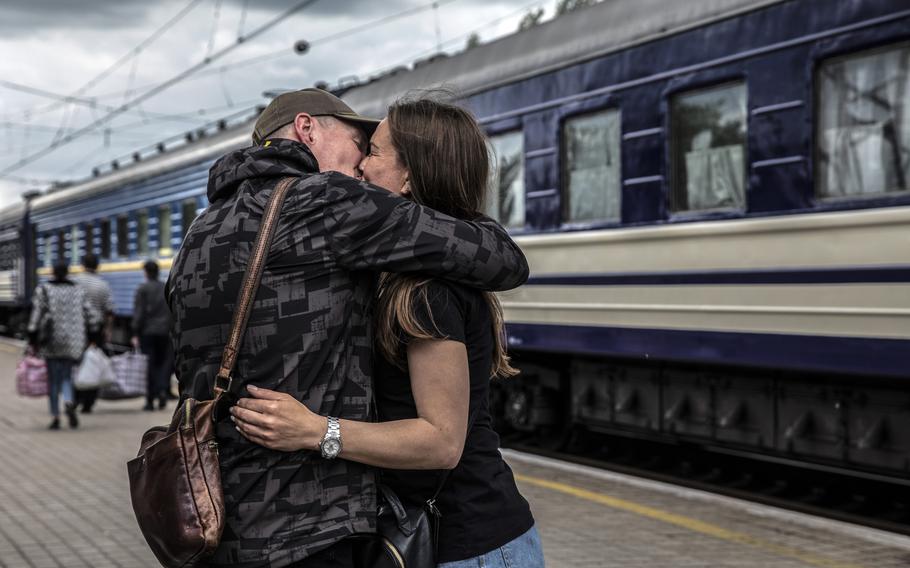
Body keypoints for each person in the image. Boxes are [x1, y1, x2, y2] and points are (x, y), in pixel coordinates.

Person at [166, 88, 528, 568]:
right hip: (308, 528)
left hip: (213, 516)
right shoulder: (326, 203)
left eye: (372, 151)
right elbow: (501, 261)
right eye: (360, 141)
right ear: (307, 128)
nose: (359, 162)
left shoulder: (201, 230)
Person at [27, 261, 100, 430]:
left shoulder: (44, 290)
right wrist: (94, 334)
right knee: (67, 377)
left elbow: (36, 316)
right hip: (73, 341)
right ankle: (68, 401)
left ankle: (55, 417)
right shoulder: (78, 290)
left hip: (51, 340)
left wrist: (32, 336)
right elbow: (92, 316)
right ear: (68, 273)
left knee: (53, 381)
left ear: (52, 272)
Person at [73, 253, 114, 413]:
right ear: (97, 266)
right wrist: (108, 330)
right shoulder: (102, 285)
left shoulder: (75, 282)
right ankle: (89, 402)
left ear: (83, 264)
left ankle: (75, 397)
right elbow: (109, 310)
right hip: (95, 330)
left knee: (77, 364)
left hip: (76, 328)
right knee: (94, 363)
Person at [131, 260, 172, 411]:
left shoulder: (142, 289)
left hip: (147, 332)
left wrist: (135, 331)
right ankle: (162, 391)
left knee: (149, 365)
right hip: (164, 331)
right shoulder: (164, 287)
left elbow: (139, 313)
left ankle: (149, 400)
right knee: (162, 364)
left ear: (146, 272)